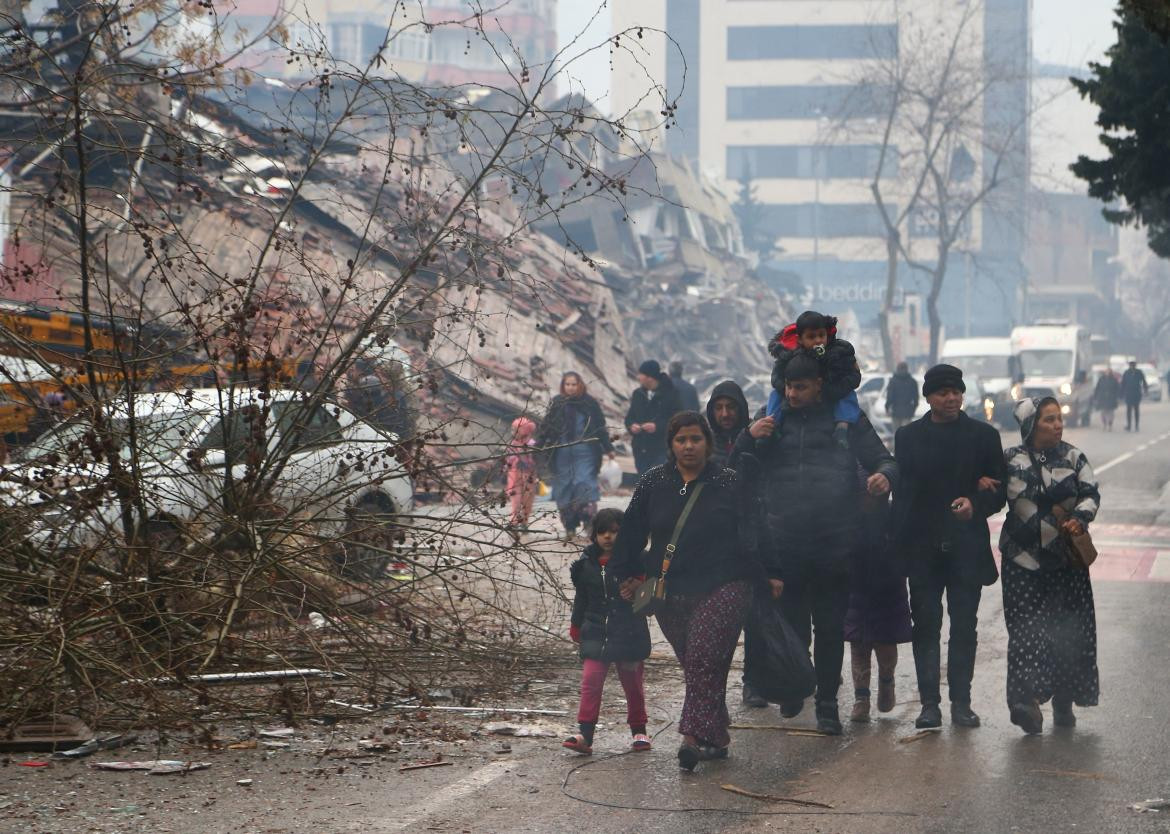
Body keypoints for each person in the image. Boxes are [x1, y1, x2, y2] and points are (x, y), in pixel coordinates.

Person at [734, 353, 897, 733]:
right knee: (792, 625)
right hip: (784, 543)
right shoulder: (773, 420)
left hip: (834, 542)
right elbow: (736, 466)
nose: (793, 394)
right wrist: (747, 436)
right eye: (789, 386)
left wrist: (884, 477)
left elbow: (885, 460)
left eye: (801, 387)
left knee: (828, 628)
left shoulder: (846, 421)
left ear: (818, 385)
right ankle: (794, 688)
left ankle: (827, 706)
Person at [610, 411, 782, 771]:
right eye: (681, 440)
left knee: (703, 657)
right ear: (671, 445)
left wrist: (774, 572)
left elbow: (757, 528)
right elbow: (630, 533)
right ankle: (716, 737)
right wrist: (626, 574)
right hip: (669, 591)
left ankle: (690, 736)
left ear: (708, 442)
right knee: (700, 663)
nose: (689, 446)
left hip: (727, 584)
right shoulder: (653, 483)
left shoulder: (730, 482)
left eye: (695, 439)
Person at [890, 364, 1006, 730]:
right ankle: (929, 705)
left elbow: (999, 489)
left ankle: (961, 703)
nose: (952, 398)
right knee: (925, 625)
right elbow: (903, 495)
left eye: (956, 391)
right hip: (922, 549)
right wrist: (895, 546)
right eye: (943, 392)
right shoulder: (907, 437)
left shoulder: (983, 436)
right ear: (928, 398)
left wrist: (976, 503)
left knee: (964, 627)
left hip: (966, 549)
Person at [1000, 397, 1100, 734]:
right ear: (1031, 425)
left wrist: (1080, 517)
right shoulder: (1010, 460)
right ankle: (1024, 703)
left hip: (1066, 565)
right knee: (1026, 632)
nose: (1057, 425)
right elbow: (994, 496)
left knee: (1067, 634)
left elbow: (1090, 492)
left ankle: (1063, 702)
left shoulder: (1074, 456)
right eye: (1049, 419)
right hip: (1022, 562)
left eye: (1059, 418)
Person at [563, 508, 653, 755]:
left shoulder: (637, 562)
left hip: (629, 634)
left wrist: (639, 588)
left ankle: (639, 730)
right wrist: (576, 625)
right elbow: (581, 598)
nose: (608, 537)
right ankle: (585, 734)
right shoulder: (585, 565)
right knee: (591, 681)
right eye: (602, 531)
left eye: (614, 531)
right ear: (594, 535)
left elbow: (651, 600)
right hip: (595, 632)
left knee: (633, 684)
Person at [844, 468, 912, 723]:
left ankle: (886, 681)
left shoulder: (894, 514)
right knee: (858, 644)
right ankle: (861, 697)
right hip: (857, 586)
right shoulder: (851, 516)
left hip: (888, 586)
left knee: (885, 642)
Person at [765, 310, 862, 448]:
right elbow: (776, 378)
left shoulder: (839, 352)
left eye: (821, 335)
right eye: (811, 337)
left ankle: (842, 428)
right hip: (796, 403)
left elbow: (853, 376)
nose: (818, 340)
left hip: (833, 393)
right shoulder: (789, 356)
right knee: (775, 395)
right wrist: (789, 391)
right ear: (800, 339)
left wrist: (831, 391)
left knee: (848, 396)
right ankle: (772, 426)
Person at [536, 373, 614, 539]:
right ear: (563, 386)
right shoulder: (557, 402)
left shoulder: (589, 403)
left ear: (580, 385)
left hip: (585, 450)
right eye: (567, 384)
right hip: (562, 451)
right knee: (564, 487)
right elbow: (547, 425)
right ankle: (569, 527)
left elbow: (600, 427)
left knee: (584, 482)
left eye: (574, 384)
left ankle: (588, 522)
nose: (570, 387)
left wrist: (608, 447)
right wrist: (538, 445)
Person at [624, 360, 680, 475]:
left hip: (661, 448)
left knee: (658, 482)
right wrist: (631, 426)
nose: (638, 377)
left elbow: (678, 420)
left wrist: (657, 427)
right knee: (644, 483)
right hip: (641, 448)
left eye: (641, 374)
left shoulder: (670, 394)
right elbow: (629, 417)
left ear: (650, 377)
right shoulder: (638, 394)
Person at [705, 380, 750, 469]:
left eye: (731, 407)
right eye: (718, 408)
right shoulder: (705, 443)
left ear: (741, 409)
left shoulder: (755, 439)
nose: (725, 414)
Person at [504, 416, 538, 530]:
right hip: (514, 475)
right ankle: (514, 521)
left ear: (523, 431)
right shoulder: (512, 444)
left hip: (529, 476)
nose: (513, 432)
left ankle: (524, 522)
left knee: (527, 500)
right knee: (515, 499)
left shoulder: (532, 444)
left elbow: (535, 460)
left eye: (515, 429)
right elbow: (508, 460)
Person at [885, 362, 920, 431]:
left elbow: (890, 397)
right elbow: (916, 398)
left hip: (895, 411)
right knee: (906, 434)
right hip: (907, 411)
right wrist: (913, 410)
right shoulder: (912, 382)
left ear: (897, 369)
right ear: (907, 369)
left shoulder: (893, 381)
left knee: (896, 433)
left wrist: (887, 406)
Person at [1120, 360, 1148, 432]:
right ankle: (1129, 425)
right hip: (1128, 394)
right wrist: (1121, 394)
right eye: (1131, 364)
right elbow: (1123, 383)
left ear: (1135, 365)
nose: (1132, 366)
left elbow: (1144, 381)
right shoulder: (1126, 373)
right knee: (1128, 411)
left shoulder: (1139, 372)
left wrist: (1145, 390)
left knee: (1136, 410)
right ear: (1129, 365)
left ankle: (1136, 425)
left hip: (1136, 393)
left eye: (1133, 364)